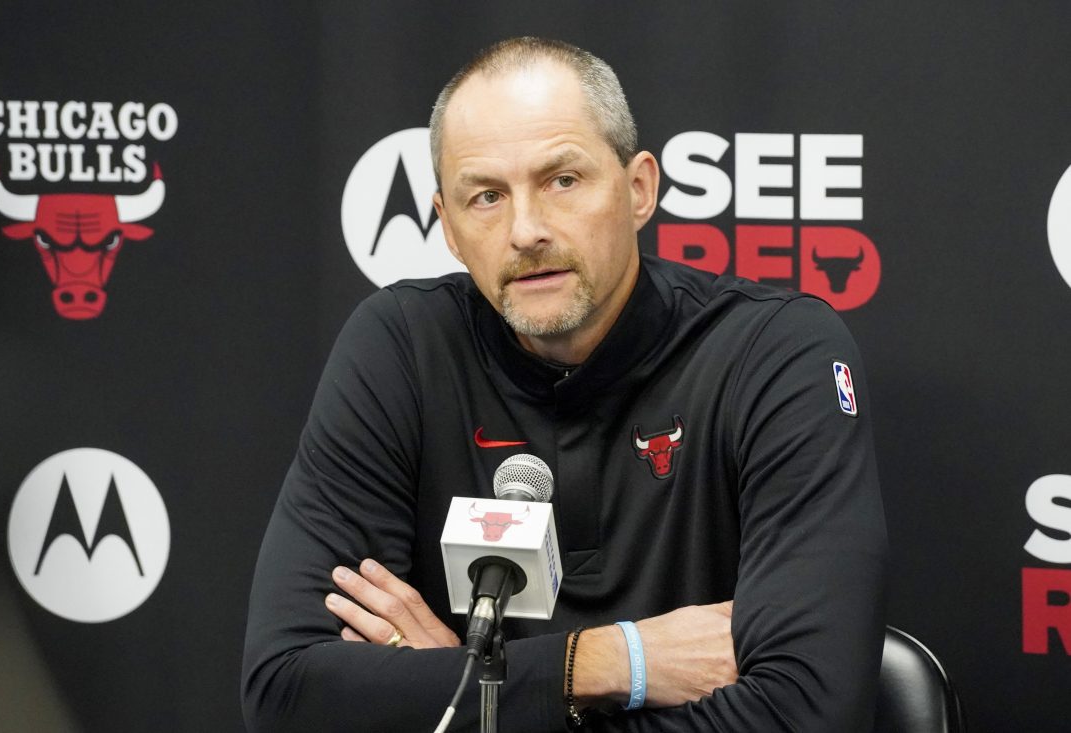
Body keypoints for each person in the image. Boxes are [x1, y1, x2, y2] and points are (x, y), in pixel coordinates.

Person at [242, 37, 887, 732]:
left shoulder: (774, 351)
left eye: (563, 180)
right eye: (486, 196)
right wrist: (611, 661)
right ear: (450, 231)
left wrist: (473, 691)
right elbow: (287, 695)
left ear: (639, 189)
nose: (526, 230)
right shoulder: (399, 347)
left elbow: (810, 712)